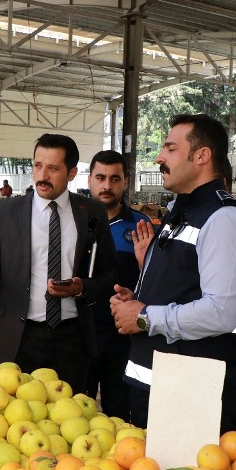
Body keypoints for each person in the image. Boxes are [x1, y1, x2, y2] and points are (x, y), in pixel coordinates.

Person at [111, 114, 236, 431]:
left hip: (191, 400)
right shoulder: (183, 211)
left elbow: (221, 313)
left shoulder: (224, 220)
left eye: (171, 149)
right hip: (159, 391)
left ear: (202, 155)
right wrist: (139, 298)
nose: (159, 158)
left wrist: (144, 315)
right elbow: (183, 287)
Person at [0, 134, 118, 389]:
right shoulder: (6, 212)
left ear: (72, 173)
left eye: (53, 168)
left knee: (72, 418)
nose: (42, 175)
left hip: (73, 339)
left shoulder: (91, 212)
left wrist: (82, 288)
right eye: (37, 165)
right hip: (17, 337)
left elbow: (109, 273)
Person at [84, 150, 152, 421]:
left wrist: (145, 262)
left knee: (119, 413)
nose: (107, 185)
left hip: (123, 337)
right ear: (90, 179)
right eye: (100, 177)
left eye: (115, 178)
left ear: (125, 182)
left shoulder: (142, 227)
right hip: (80, 332)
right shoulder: (72, 221)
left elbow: (155, 282)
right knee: (76, 410)